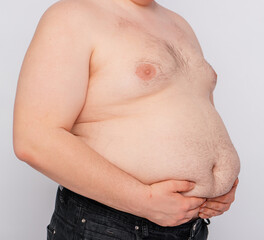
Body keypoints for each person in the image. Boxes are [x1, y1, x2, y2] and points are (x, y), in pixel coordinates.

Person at [13, 0, 241, 239]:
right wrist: (144, 201)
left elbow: (196, 113)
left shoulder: (179, 24)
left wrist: (216, 184)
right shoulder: (73, 15)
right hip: (110, 226)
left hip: (191, 227)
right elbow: (35, 138)